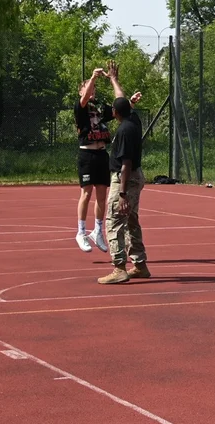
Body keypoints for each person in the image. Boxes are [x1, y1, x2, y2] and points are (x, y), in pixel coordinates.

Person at [72, 62, 125, 253]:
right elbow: (85, 98)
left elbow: (119, 109)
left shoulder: (99, 108)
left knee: (102, 196)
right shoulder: (80, 106)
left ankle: (97, 231)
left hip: (102, 154)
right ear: (82, 91)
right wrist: (93, 78)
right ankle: (80, 232)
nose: (92, 90)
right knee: (86, 193)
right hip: (86, 154)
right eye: (89, 87)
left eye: (94, 88)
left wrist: (131, 102)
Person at [98, 92, 149, 284]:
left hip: (125, 179)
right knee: (131, 220)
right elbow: (122, 100)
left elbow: (126, 163)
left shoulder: (124, 131)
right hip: (134, 177)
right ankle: (140, 264)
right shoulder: (133, 121)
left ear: (115, 112)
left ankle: (119, 267)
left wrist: (122, 193)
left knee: (114, 220)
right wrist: (114, 80)